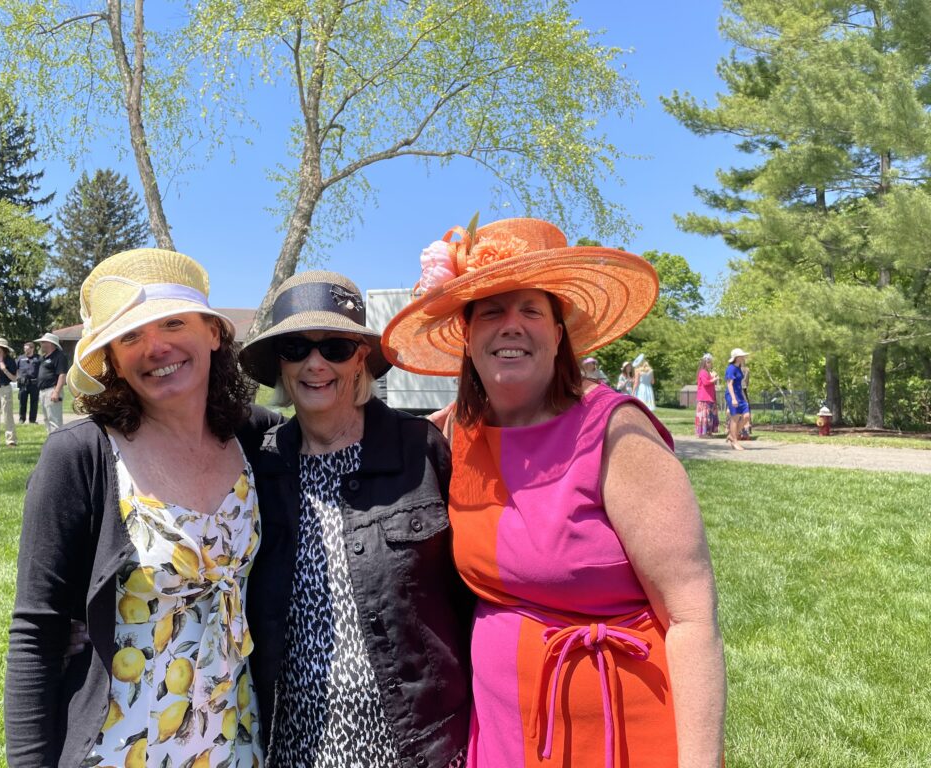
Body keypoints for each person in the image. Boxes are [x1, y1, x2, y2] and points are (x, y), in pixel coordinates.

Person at [383, 217, 726, 767]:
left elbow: (691, 618)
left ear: (559, 332)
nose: (511, 325)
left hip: (624, 738)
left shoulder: (617, 433)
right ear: (466, 337)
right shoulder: (451, 433)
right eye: (491, 310)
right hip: (501, 738)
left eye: (531, 310)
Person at [4, 249, 282, 768]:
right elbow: (35, 635)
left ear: (214, 334)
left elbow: (337, 433)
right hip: (118, 750)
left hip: (237, 744)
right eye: (130, 335)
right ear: (112, 356)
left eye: (174, 322)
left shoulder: (258, 440)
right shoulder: (81, 456)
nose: (156, 346)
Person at [238, 270, 472, 768]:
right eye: (296, 348)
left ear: (362, 357)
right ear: (280, 364)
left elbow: (470, 592)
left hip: (414, 739)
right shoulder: (263, 464)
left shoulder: (420, 451)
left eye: (336, 348)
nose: (315, 363)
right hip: (293, 736)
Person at [34, 332, 67, 434]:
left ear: (50, 343)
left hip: (52, 390)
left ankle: (57, 444)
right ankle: (51, 442)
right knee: (46, 419)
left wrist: (56, 392)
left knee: (54, 420)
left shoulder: (59, 356)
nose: (41, 344)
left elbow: (62, 375)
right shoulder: (44, 357)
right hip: (43, 391)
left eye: (43, 342)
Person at [724, 348, 750, 451]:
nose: (743, 357)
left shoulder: (739, 367)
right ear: (736, 357)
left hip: (740, 395)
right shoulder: (731, 368)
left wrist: (741, 397)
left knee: (746, 416)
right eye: (742, 356)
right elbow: (729, 384)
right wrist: (733, 399)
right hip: (732, 395)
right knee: (735, 418)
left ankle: (732, 435)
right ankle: (734, 441)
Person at [15, 341, 41, 424]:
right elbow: (15, 369)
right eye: (24, 348)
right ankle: (22, 419)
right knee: (22, 402)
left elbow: (43, 369)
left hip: (34, 383)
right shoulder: (20, 358)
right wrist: (17, 377)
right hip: (23, 384)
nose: (25, 350)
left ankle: (32, 420)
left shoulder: (38, 358)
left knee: (34, 402)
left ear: (32, 349)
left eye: (27, 349)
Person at [695, 353, 720, 438]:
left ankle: (709, 432)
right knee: (705, 416)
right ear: (704, 363)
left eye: (710, 362)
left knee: (710, 416)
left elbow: (711, 383)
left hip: (710, 397)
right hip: (704, 398)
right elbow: (705, 383)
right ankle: (703, 433)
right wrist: (714, 379)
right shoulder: (702, 372)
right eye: (708, 362)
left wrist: (713, 377)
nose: (710, 364)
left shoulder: (707, 372)